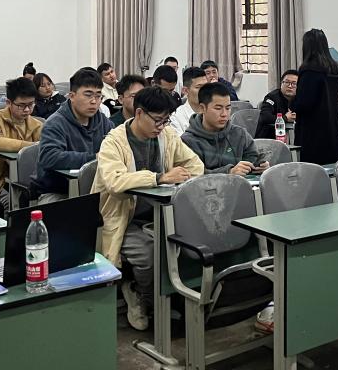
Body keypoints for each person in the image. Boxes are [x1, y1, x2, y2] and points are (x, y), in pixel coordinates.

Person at [93, 86, 203, 330]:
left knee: (189, 245)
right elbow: (115, 182)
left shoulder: (167, 135)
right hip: (124, 219)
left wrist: (180, 176)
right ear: (139, 113)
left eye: (166, 120)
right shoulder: (114, 142)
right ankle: (140, 295)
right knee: (149, 254)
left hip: (161, 214)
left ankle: (172, 297)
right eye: (157, 120)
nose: (161, 126)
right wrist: (159, 178)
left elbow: (195, 165)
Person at [33, 67, 114, 203]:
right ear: (72, 96)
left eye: (98, 96)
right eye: (88, 95)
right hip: (57, 191)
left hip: (94, 188)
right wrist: (94, 158)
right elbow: (50, 157)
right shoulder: (55, 123)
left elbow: (117, 145)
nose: (94, 101)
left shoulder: (102, 121)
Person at [0, 76, 43, 214]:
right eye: (21, 105)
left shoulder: (37, 125)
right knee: (5, 206)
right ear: (8, 102)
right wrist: (31, 146)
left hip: (27, 178)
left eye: (31, 104)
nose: (27, 110)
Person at [181, 82, 268, 175]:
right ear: (202, 108)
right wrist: (229, 172)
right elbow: (193, 174)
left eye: (228, 108)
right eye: (218, 108)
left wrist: (258, 166)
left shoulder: (240, 134)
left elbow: (252, 158)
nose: (224, 114)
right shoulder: (188, 141)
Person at [294, 28, 338, 165]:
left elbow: (304, 104)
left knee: (313, 172)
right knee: (332, 171)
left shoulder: (309, 71)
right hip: (333, 130)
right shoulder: (334, 71)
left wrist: (292, 102)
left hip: (313, 134)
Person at [257, 70, 298, 139]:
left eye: (294, 83)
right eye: (287, 82)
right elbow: (265, 117)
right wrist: (285, 118)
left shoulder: (301, 99)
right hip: (269, 138)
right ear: (281, 83)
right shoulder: (272, 97)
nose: (290, 86)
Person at [170, 67, 206, 136]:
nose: (205, 91)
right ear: (186, 90)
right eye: (199, 87)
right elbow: (180, 142)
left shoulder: (213, 111)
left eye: (206, 86)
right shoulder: (176, 117)